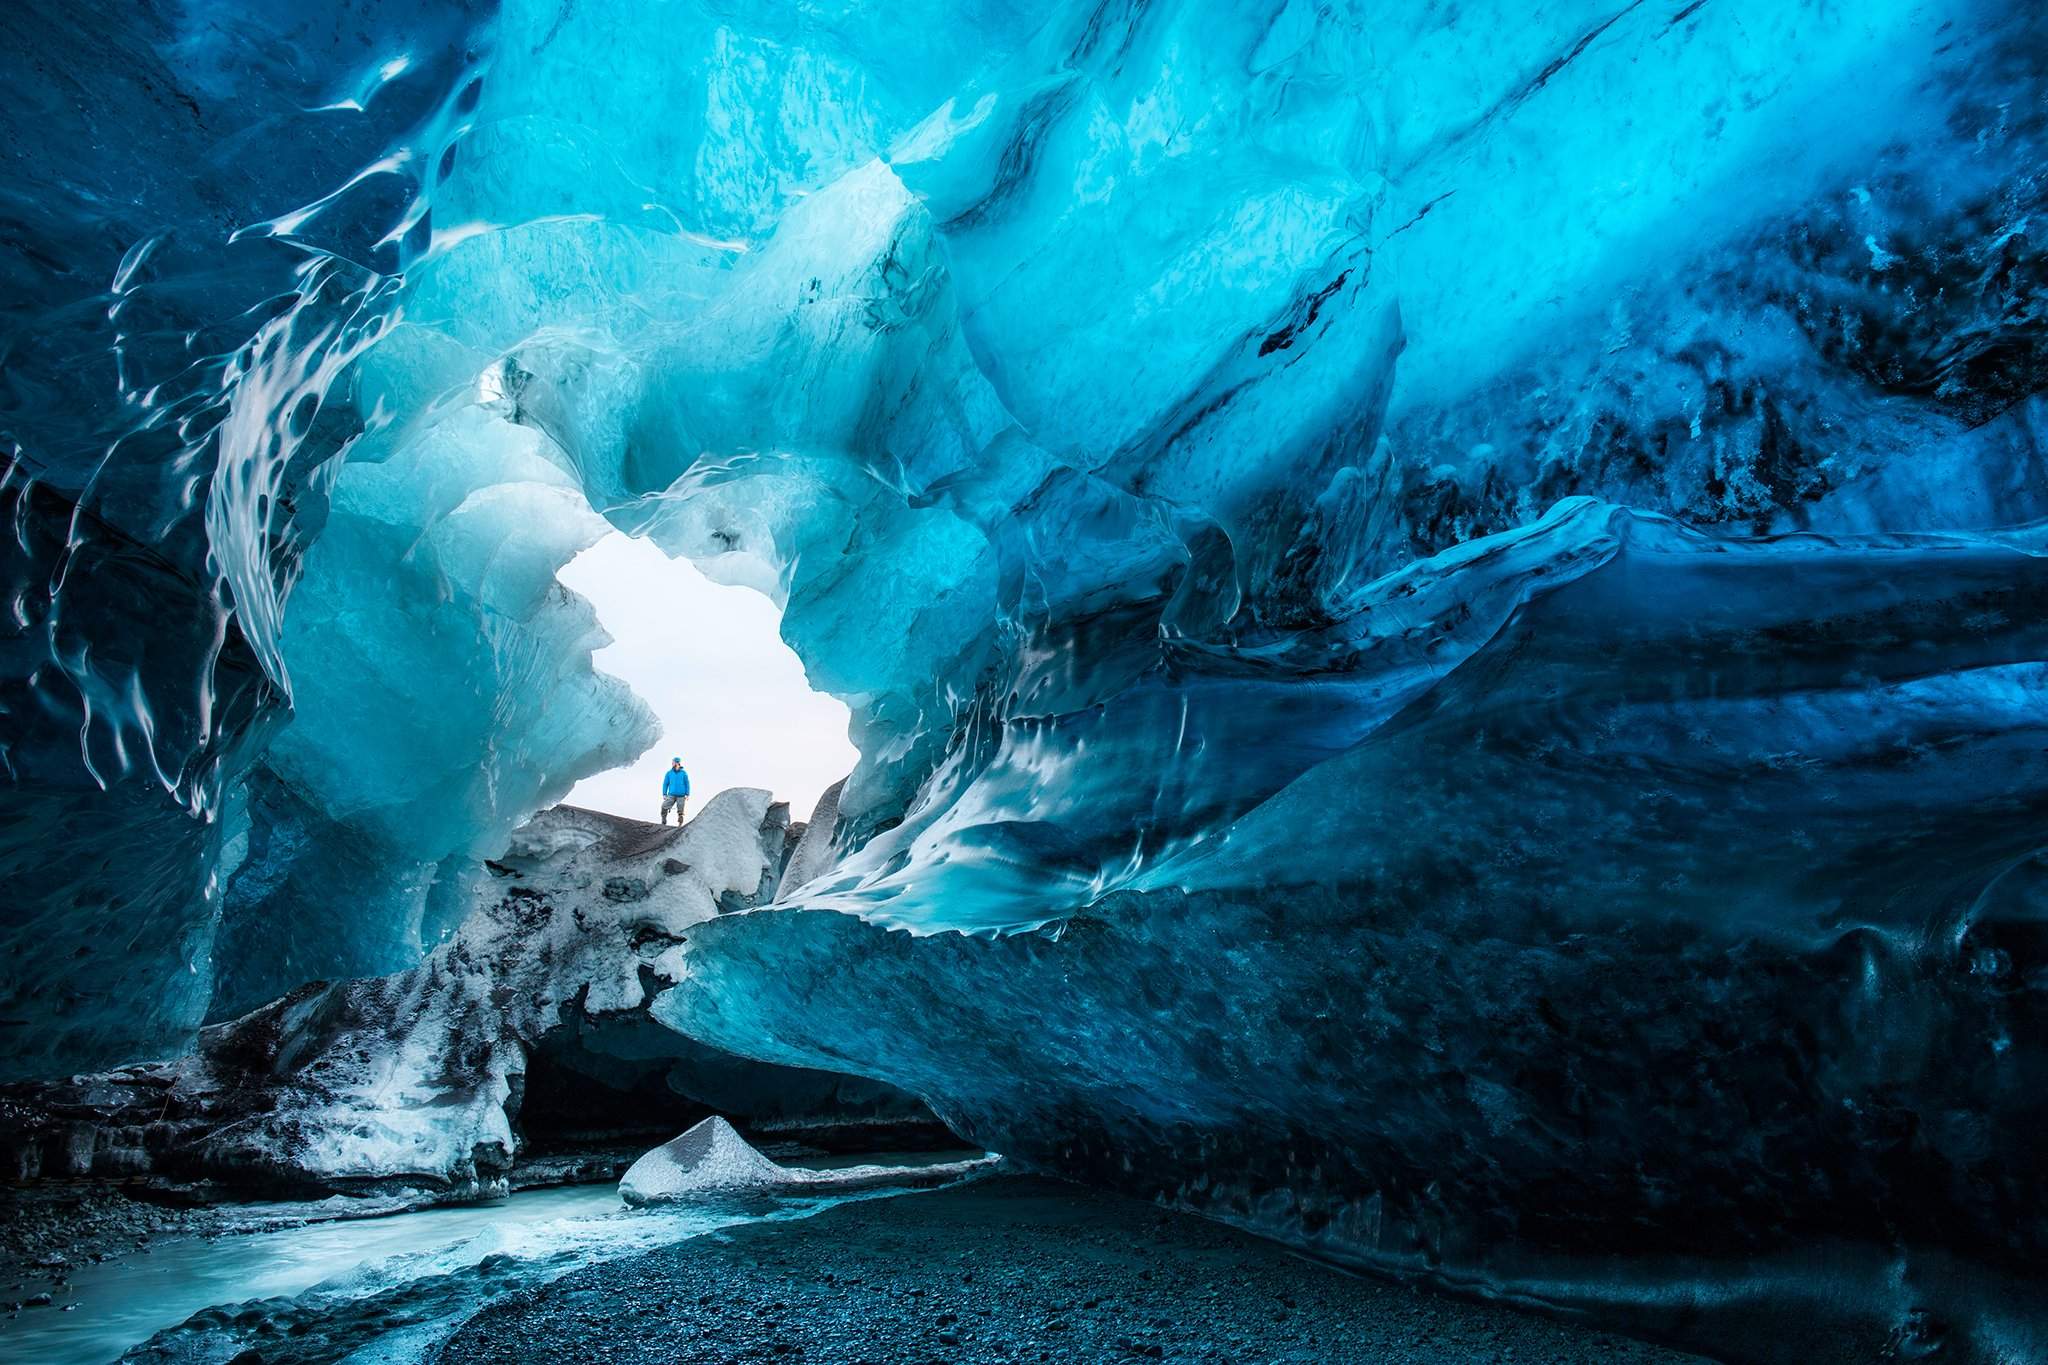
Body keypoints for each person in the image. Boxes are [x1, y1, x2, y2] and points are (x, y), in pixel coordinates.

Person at [659, 757, 691, 825]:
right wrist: (664, 794)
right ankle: (663, 820)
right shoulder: (669, 773)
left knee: (680, 812)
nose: (672, 763)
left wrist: (687, 794)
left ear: (677, 763)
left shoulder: (683, 773)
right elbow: (665, 784)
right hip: (671, 795)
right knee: (664, 806)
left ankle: (680, 825)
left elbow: (687, 784)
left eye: (673, 762)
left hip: (681, 795)